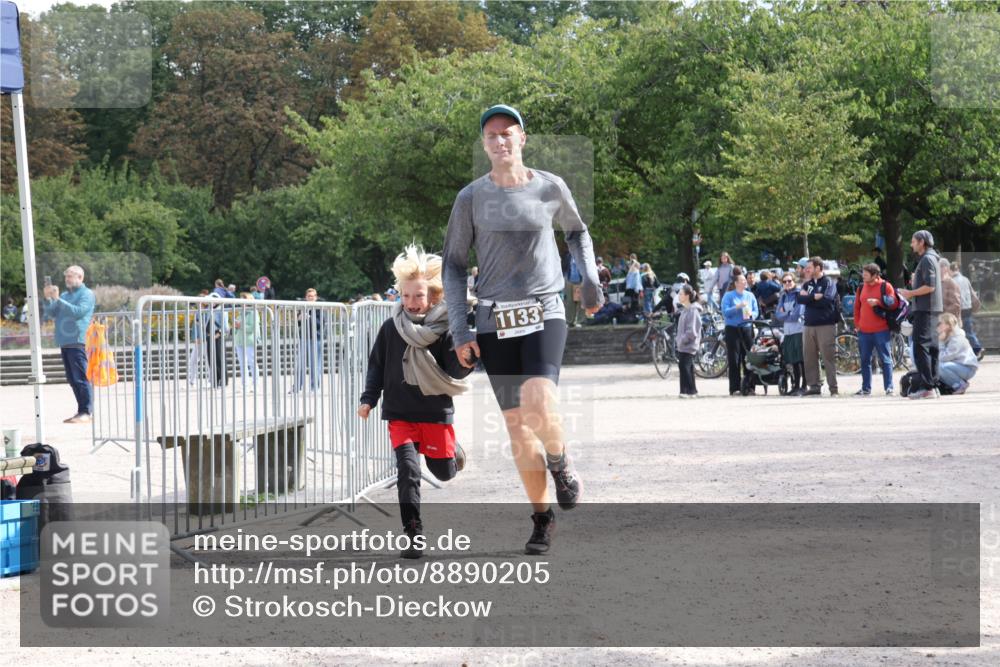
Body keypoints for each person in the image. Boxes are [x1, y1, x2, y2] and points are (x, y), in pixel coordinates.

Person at [443, 104, 602, 555]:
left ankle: (560, 462)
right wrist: (460, 330)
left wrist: (588, 277)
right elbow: (453, 265)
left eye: (507, 133)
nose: (500, 141)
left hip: (544, 308)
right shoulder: (470, 198)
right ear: (484, 144)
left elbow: (577, 233)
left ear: (522, 138)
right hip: (494, 318)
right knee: (517, 428)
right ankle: (542, 518)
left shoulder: (550, 187)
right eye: (491, 135)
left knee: (538, 399)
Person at [359, 245, 472, 558]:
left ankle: (453, 451)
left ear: (432, 296)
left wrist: (468, 359)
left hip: (434, 412)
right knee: (407, 471)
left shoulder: (444, 330)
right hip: (400, 414)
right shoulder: (390, 329)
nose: (411, 302)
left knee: (444, 472)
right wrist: (369, 399)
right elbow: (376, 367)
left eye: (418, 296)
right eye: (406, 295)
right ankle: (413, 533)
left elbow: (455, 369)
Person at [42, 265, 96, 423]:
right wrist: (48, 298)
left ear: (80, 277)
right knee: (73, 379)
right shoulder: (65, 295)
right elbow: (51, 312)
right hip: (65, 341)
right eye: (66, 276)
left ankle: (87, 412)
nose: (67, 279)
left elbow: (78, 312)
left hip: (78, 340)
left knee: (81, 378)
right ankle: (81, 411)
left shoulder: (87, 294)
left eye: (70, 276)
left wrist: (58, 299)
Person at [897, 230, 942, 400]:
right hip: (931, 309)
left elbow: (930, 287)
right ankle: (933, 386)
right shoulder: (932, 258)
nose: (911, 244)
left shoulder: (927, 259)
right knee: (932, 347)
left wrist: (910, 293)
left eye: (913, 241)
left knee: (920, 346)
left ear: (922, 242)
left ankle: (927, 387)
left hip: (925, 309)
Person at [797, 257, 840, 396]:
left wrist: (808, 298)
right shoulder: (807, 283)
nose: (806, 270)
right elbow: (800, 299)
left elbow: (826, 300)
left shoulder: (829, 282)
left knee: (828, 357)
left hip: (825, 324)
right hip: (808, 325)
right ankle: (814, 386)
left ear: (818, 268)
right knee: (809, 357)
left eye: (809, 267)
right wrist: (814, 297)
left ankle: (833, 388)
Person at [853, 263, 896, 396]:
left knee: (885, 359)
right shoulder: (861, 287)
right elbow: (857, 307)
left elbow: (893, 303)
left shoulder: (885, 286)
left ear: (875, 275)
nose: (863, 276)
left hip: (881, 330)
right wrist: (857, 325)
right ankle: (866, 388)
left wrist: (878, 302)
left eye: (866, 274)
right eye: (863, 274)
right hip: (864, 331)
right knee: (865, 360)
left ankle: (889, 387)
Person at [721, 272, 758, 396]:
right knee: (734, 358)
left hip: (747, 328)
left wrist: (752, 314)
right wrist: (737, 307)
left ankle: (750, 386)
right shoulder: (728, 296)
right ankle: (735, 387)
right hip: (733, 329)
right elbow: (725, 312)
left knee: (749, 358)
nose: (745, 282)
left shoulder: (750, 295)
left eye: (745, 280)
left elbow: (756, 311)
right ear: (736, 283)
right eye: (742, 280)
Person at [774, 271, 806, 396]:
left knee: (801, 359)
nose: (787, 283)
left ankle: (804, 386)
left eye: (789, 281)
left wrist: (785, 314)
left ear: (794, 281)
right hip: (787, 332)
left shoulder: (799, 294)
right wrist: (788, 314)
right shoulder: (783, 296)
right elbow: (778, 314)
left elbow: (796, 314)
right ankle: (796, 386)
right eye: (784, 281)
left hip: (799, 330)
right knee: (793, 360)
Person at [936, 313, 978, 395]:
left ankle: (960, 384)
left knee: (939, 366)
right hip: (959, 365)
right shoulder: (948, 335)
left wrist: (940, 342)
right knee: (938, 366)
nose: (938, 325)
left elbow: (944, 357)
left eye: (940, 323)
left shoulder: (957, 338)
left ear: (948, 325)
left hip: (968, 368)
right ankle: (954, 384)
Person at [950, 262, 984, 360]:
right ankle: (976, 350)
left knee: (959, 333)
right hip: (968, 308)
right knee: (968, 331)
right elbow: (972, 293)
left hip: (959, 310)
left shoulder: (952, 281)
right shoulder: (966, 279)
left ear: (951, 270)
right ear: (958, 269)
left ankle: (975, 349)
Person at [294, 288, 325, 392]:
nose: (311, 298)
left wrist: (309, 317)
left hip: (316, 339)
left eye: (313, 296)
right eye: (309, 296)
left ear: (316, 297)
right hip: (304, 337)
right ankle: (297, 386)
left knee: (315, 364)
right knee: (300, 363)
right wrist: (299, 318)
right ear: (306, 297)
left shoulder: (320, 307)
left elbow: (320, 324)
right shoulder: (303, 307)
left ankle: (314, 387)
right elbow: (298, 323)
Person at [675, 284, 702, 398]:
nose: (679, 296)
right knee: (686, 367)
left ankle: (688, 391)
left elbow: (692, 331)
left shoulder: (693, 310)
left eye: (681, 294)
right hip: (683, 345)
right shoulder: (685, 309)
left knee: (685, 367)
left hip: (688, 345)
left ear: (687, 296)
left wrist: (682, 340)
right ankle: (690, 390)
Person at [232, 292, 259, 390]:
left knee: (252, 362)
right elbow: (237, 327)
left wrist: (240, 325)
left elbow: (252, 328)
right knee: (242, 363)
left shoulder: (253, 312)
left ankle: (255, 384)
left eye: (243, 299)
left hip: (249, 340)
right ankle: (245, 384)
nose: (240, 302)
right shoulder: (241, 312)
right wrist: (235, 326)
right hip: (239, 340)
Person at [204, 292, 229, 388]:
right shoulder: (209, 310)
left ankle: (223, 380)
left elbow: (225, 327)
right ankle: (214, 381)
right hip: (210, 336)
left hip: (218, 337)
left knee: (219, 359)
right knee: (211, 359)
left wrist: (217, 335)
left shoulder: (222, 310)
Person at [187, 289, 210, 385]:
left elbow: (206, 325)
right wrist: (195, 338)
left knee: (208, 361)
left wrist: (200, 337)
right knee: (193, 360)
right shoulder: (198, 311)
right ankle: (192, 380)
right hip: (198, 340)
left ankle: (211, 380)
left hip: (204, 339)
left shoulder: (207, 311)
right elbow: (195, 327)